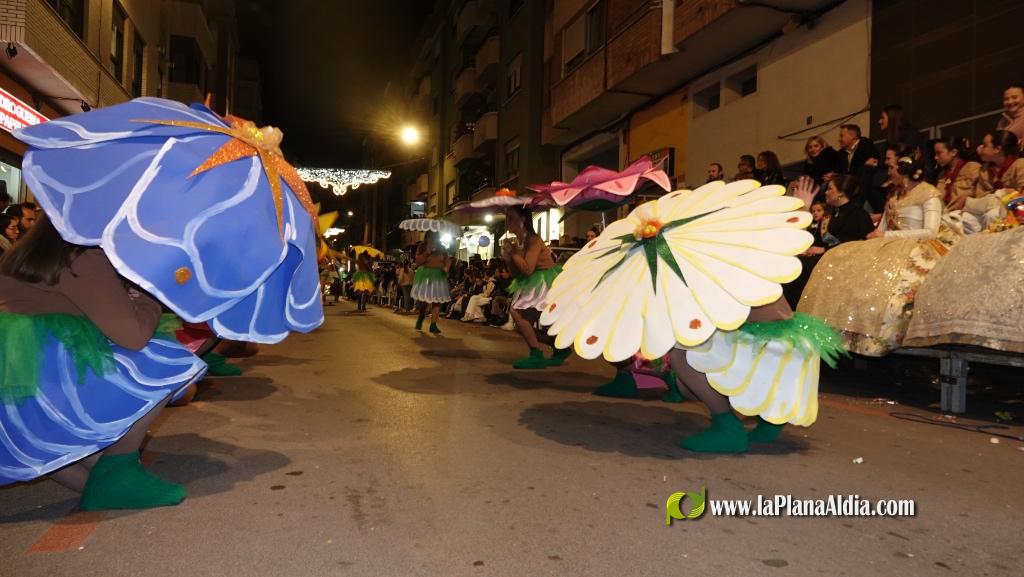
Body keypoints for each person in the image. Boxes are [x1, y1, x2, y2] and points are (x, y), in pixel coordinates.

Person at [0, 215, 205, 509]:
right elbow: (133, 336)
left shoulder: (29, 251)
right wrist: (151, 300)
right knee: (163, 358)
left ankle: (109, 481)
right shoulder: (81, 258)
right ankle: (116, 472)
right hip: (36, 384)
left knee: (92, 476)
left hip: (16, 391)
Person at [798, 156, 960, 356]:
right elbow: (883, 226)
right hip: (889, 244)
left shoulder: (929, 193)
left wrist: (888, 235)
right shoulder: (894, 196)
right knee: (844, 258)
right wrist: (877, 236)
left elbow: (930, 231)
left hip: (919, 245)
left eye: (891, 168)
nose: (889, 172)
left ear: (904, 172)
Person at [503, 205, 571, 369]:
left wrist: (513, 254)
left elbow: (527, 269)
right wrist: (508, 259)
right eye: (507, 218)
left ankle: (537, 354)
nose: (507, 222)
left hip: (544, 281)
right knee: (522, 325)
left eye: (511, 218)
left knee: (517, 313)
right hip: (533, 282)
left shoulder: (533, 240)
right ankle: (558, 347)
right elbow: (516, 274)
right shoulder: (520, 242)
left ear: (523, 219)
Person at [836, 124, 882, 211]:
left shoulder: (866, 145)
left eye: (842, 135)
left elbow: (872, 165)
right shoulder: (841, 154)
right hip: (849, 188)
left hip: (864, 187)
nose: (839, 139)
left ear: (852, 135)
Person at [412, 231, 450, 333]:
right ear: (426, 237)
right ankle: (421, 318)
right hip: (426, 275)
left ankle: (433, 325)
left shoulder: (442, 248)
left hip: (438, 276)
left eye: (435, 237)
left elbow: (447, 260)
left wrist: (446, 267)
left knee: (437, 302)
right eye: (430, 237)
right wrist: (427, 252)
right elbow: (418, 262)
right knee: (425, 301)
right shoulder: (422, 246)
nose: (432, 239)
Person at [933, 136, 981, 210]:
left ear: (953, 152)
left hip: (967, 214)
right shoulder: (942, 175)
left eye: (939, 153)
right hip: (946, 214)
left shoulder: (972, 168)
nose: (935, 157)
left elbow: (980, 194)